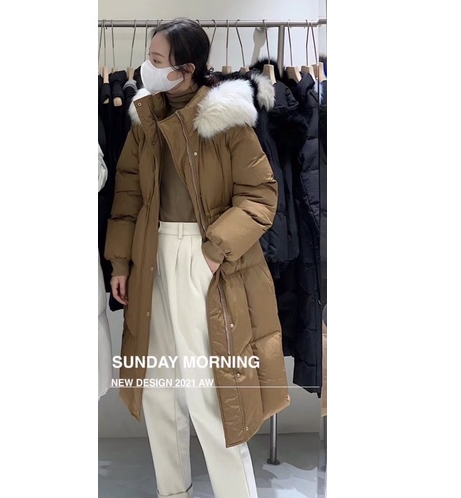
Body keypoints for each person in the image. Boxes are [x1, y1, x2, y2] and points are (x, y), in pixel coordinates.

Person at [104, 17, 290, 498]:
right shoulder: (145, 117)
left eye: (157, 60)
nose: (147, 67)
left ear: (186, 68)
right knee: (158, 386)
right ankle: (173, 491)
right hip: (150, 255)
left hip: (205, 258)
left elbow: (261, 196)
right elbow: (128, 194)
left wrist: (212, 253)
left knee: (211, 391)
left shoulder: (226, 118)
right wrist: (120, 263)